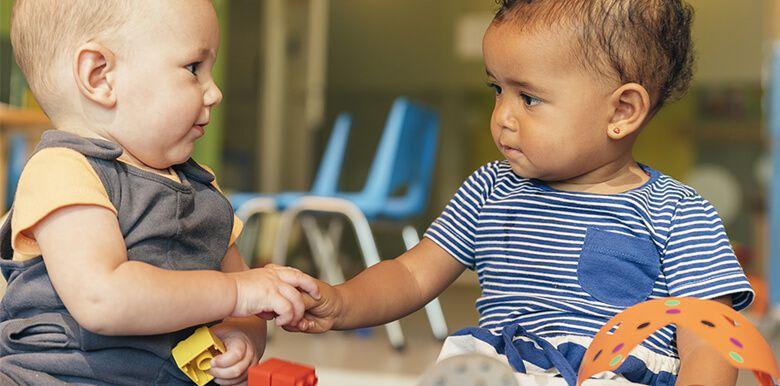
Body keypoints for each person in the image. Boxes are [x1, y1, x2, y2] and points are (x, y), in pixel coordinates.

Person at [293, 1, 754, 385]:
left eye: (528, 98)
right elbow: (412, 275)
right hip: (504, 370)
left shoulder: (678, 212)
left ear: (623, 110)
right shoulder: (490, 188)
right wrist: (343, 301)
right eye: (497, 89)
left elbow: (707, 332)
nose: (503, 117)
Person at [0, 1, 319, 384]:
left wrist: (241, 334)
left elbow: (245, 301)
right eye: (193, 69)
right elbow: (104, 298)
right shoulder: (64, 170)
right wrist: (234, 292)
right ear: (100, 76)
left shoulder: (202, 188)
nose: (214, 92)